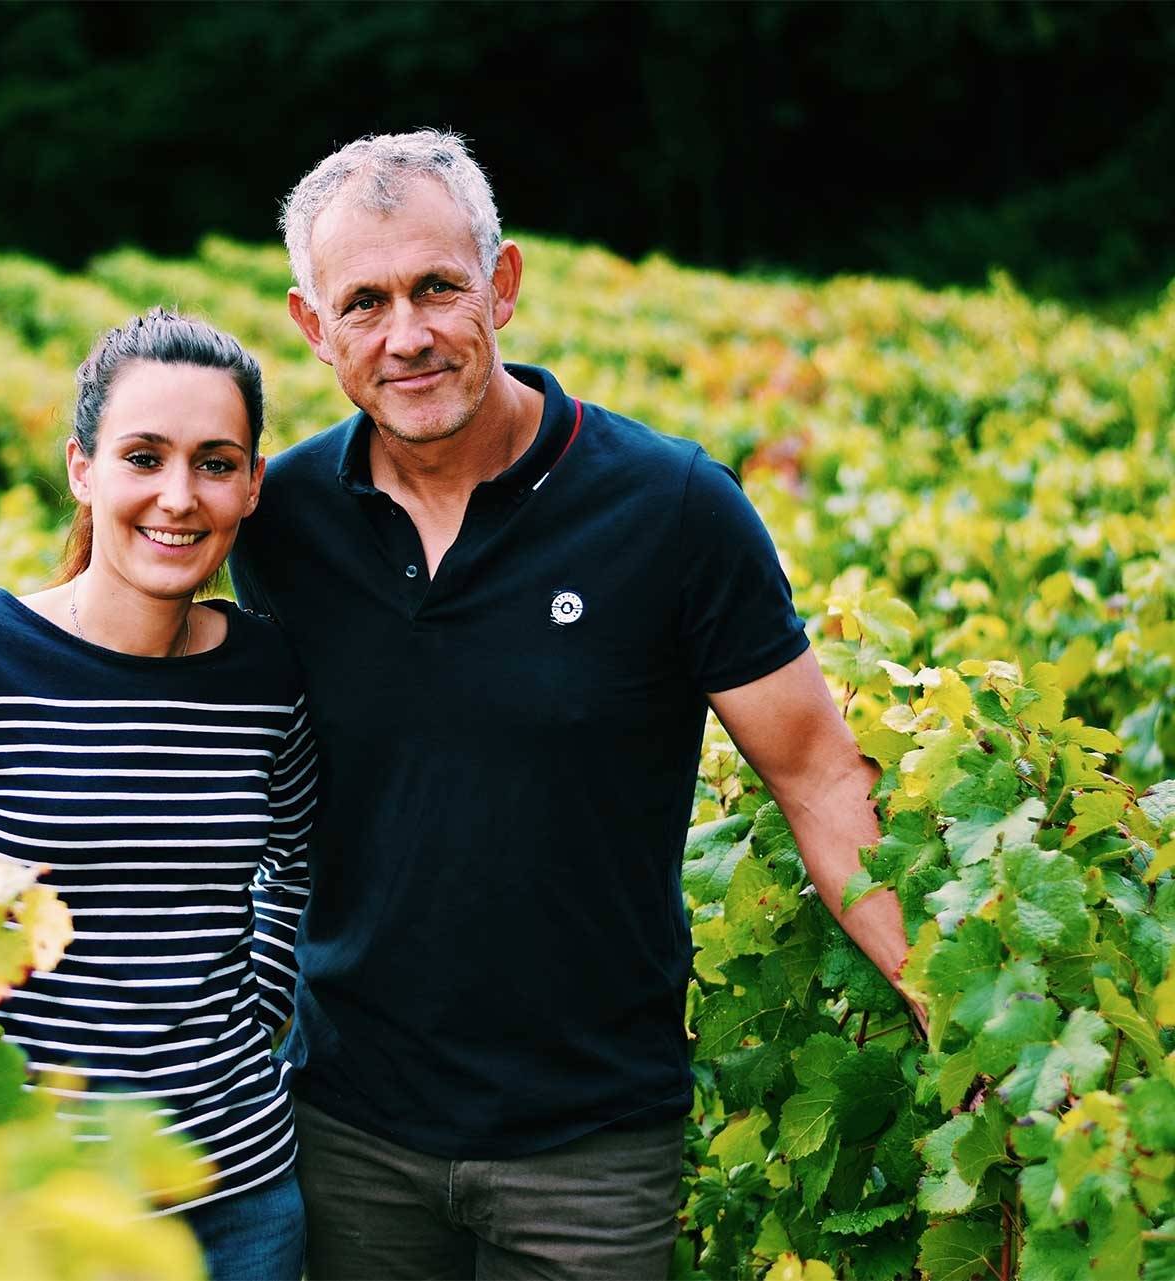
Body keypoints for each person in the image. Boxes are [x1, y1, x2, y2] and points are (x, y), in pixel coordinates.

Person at [227, 130, 919, 1280]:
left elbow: (817, 774)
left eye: (438, 287)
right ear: (313, 326)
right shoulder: (281, 521)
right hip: (350, 1133)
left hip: (590, 1149)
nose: (408, 335)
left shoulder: (672, 509)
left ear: (502, 285)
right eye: (365, 303)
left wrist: (944, 997)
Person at [0, 309, 313, 1281]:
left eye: (215, 463)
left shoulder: (267, 673)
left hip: (240, 1203)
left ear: (253, 485)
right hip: (24, 1210)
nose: (179, 495)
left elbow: (294, 863)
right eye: (144, 457)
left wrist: (253, 1021)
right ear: (83, 469)